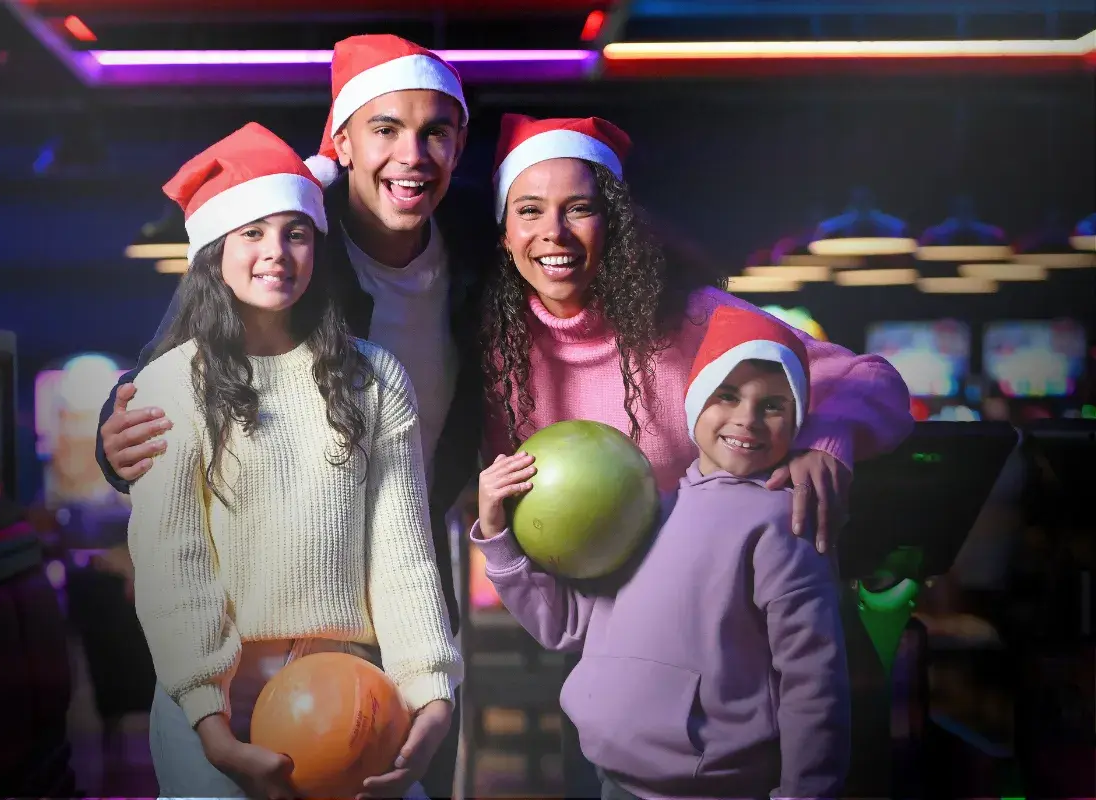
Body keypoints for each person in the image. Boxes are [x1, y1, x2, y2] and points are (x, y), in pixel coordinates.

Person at [95, 35, 492, 797]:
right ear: (341, 144)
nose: (412, 154)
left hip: (375, 619)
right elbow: (180, 364)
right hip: (230, 667)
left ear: (459, 143)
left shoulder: (483, 243)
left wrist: (430, 691)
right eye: (386, 128)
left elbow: (403, 555)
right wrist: (120, 445)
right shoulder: (297, 217)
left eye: (436, 131)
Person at [480, 113, 913, 794]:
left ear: (615, 224)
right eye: (529, 210)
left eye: (580, 209)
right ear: (505, 235)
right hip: (614, 657)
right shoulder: (497, 356)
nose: (553, 234)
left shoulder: (693, 319)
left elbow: (874, 381)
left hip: (739, 667)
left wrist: (827, 443)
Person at [474, 305, 852, 800]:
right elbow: (566, 625)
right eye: (728, 396)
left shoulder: (785, 523)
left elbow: (813, 680)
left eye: (774, 406)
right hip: (612, 779)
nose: (747, 419)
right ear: (695, 402)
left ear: (797, 419)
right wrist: (500, 540)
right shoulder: (650, 510)